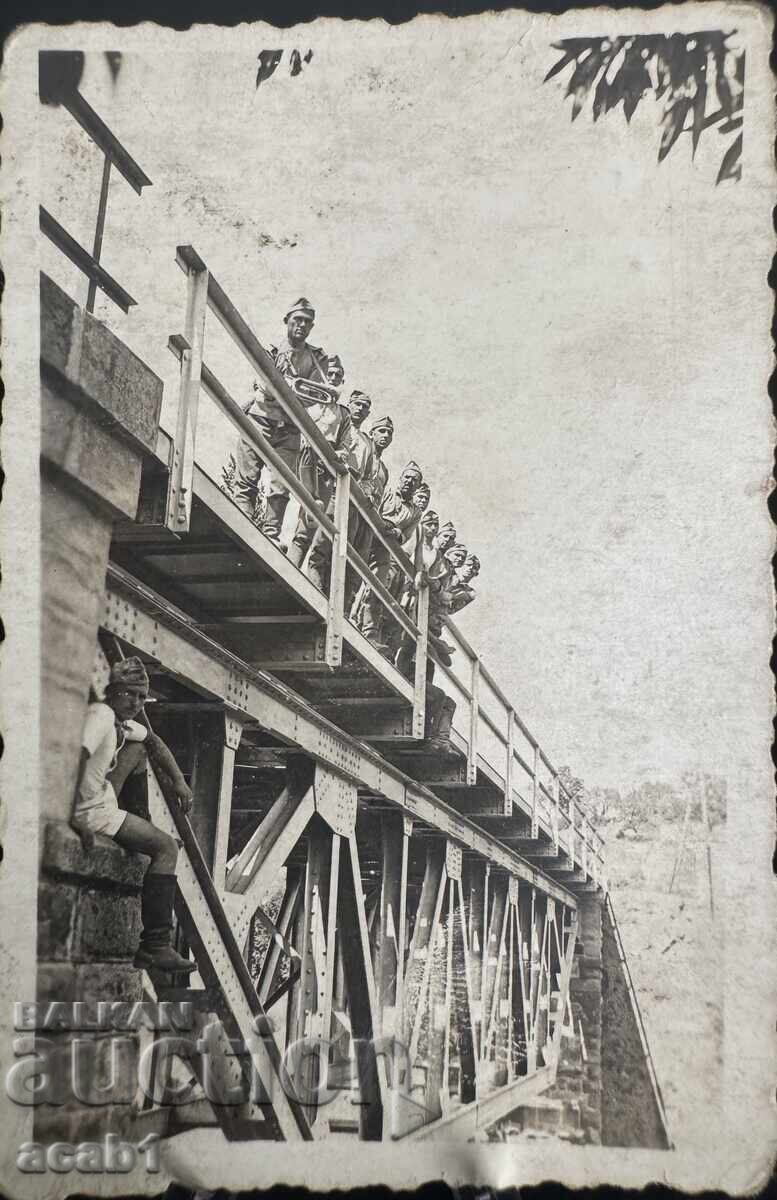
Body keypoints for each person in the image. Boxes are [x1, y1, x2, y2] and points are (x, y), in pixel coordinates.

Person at [71, 658, 196, 975]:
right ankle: (156, 946)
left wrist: (179, 781)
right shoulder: (101, 716)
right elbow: (76, 756)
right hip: (91, 809)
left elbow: (154, 741)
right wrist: (75, 816)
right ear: (114, 691)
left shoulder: (118, 720)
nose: (137, 703)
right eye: (131, 694)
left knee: (139, 748)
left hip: (102, 800)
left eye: (142, 697)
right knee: (166, 848)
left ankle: (141, 824)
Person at [231, 298, 329, 543]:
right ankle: (241, 523)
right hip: (261, 419)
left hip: (290, 429)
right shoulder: (272, 350)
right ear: (287, 321)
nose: (301, 326)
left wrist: (289, 390)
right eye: (297, 320)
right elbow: (265, 388)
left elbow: (316, 396)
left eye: (307, 322)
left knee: (280, 486)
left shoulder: (316, 358)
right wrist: (292, 391)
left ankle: (270, 534)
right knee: (247, 478)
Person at [304, 390, 375, 593]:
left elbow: (367, 476)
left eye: (365, 407)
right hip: (333, 487)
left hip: (353, 495)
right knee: (322, 541)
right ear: (350, 404)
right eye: (358, 404)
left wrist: (366, 492)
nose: (360, 409)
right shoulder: (341, 424)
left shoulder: (367, 442)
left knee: (342, 549)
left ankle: (329, 595)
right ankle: (313, 587)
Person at [287, 369, 355, 569]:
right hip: (303, 458)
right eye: (329, 373)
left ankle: (293, 566)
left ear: (342, 380)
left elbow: (345, 443)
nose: (332, 378)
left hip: (324, 469)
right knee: (294, 512)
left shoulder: (343, 413)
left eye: (337, 375)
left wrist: (341, 452)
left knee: (310, 524)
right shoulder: (308, 400)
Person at [358, 461, 424, 650]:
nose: (409, 482)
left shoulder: (415, 511)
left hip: (386, 545)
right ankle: (345, 612)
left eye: (415, 480)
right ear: (401, 478)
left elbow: (407, 534)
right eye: (407, 478)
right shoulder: (387, 493)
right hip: (369, 533)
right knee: (353, 573)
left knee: (378, 586)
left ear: (418, 486)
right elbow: (373, 507)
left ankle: (369, 632)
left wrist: (398, 533)